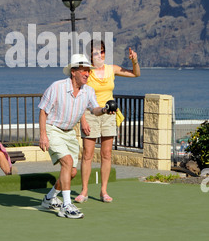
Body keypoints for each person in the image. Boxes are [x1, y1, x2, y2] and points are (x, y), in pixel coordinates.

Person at [38, 54, 109, 219]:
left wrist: (104, 110)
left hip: (69, 132)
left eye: (88, 71)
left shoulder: (88, 91)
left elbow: (95, 109)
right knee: (68, 162)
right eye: (83, 70)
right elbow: (43, 110)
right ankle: (66, 206)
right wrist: (43, 135)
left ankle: (49, 198)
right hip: (53, 129)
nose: (87, 74)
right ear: (73, 72)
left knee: (71, 172)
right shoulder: (57, 87)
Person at [75, 41, 140, 204]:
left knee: (107, 154)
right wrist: (82, 119)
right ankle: (84, 191)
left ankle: (104, 191)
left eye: (102, 52)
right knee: (88, 154)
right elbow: (80, 97)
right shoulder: (87, 72)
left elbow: (135, 74)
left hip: (109, 115)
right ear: (90, 56)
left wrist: (135, 61)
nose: (100, 55)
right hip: (90, 114)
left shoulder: (112, 69)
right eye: (96, 53)